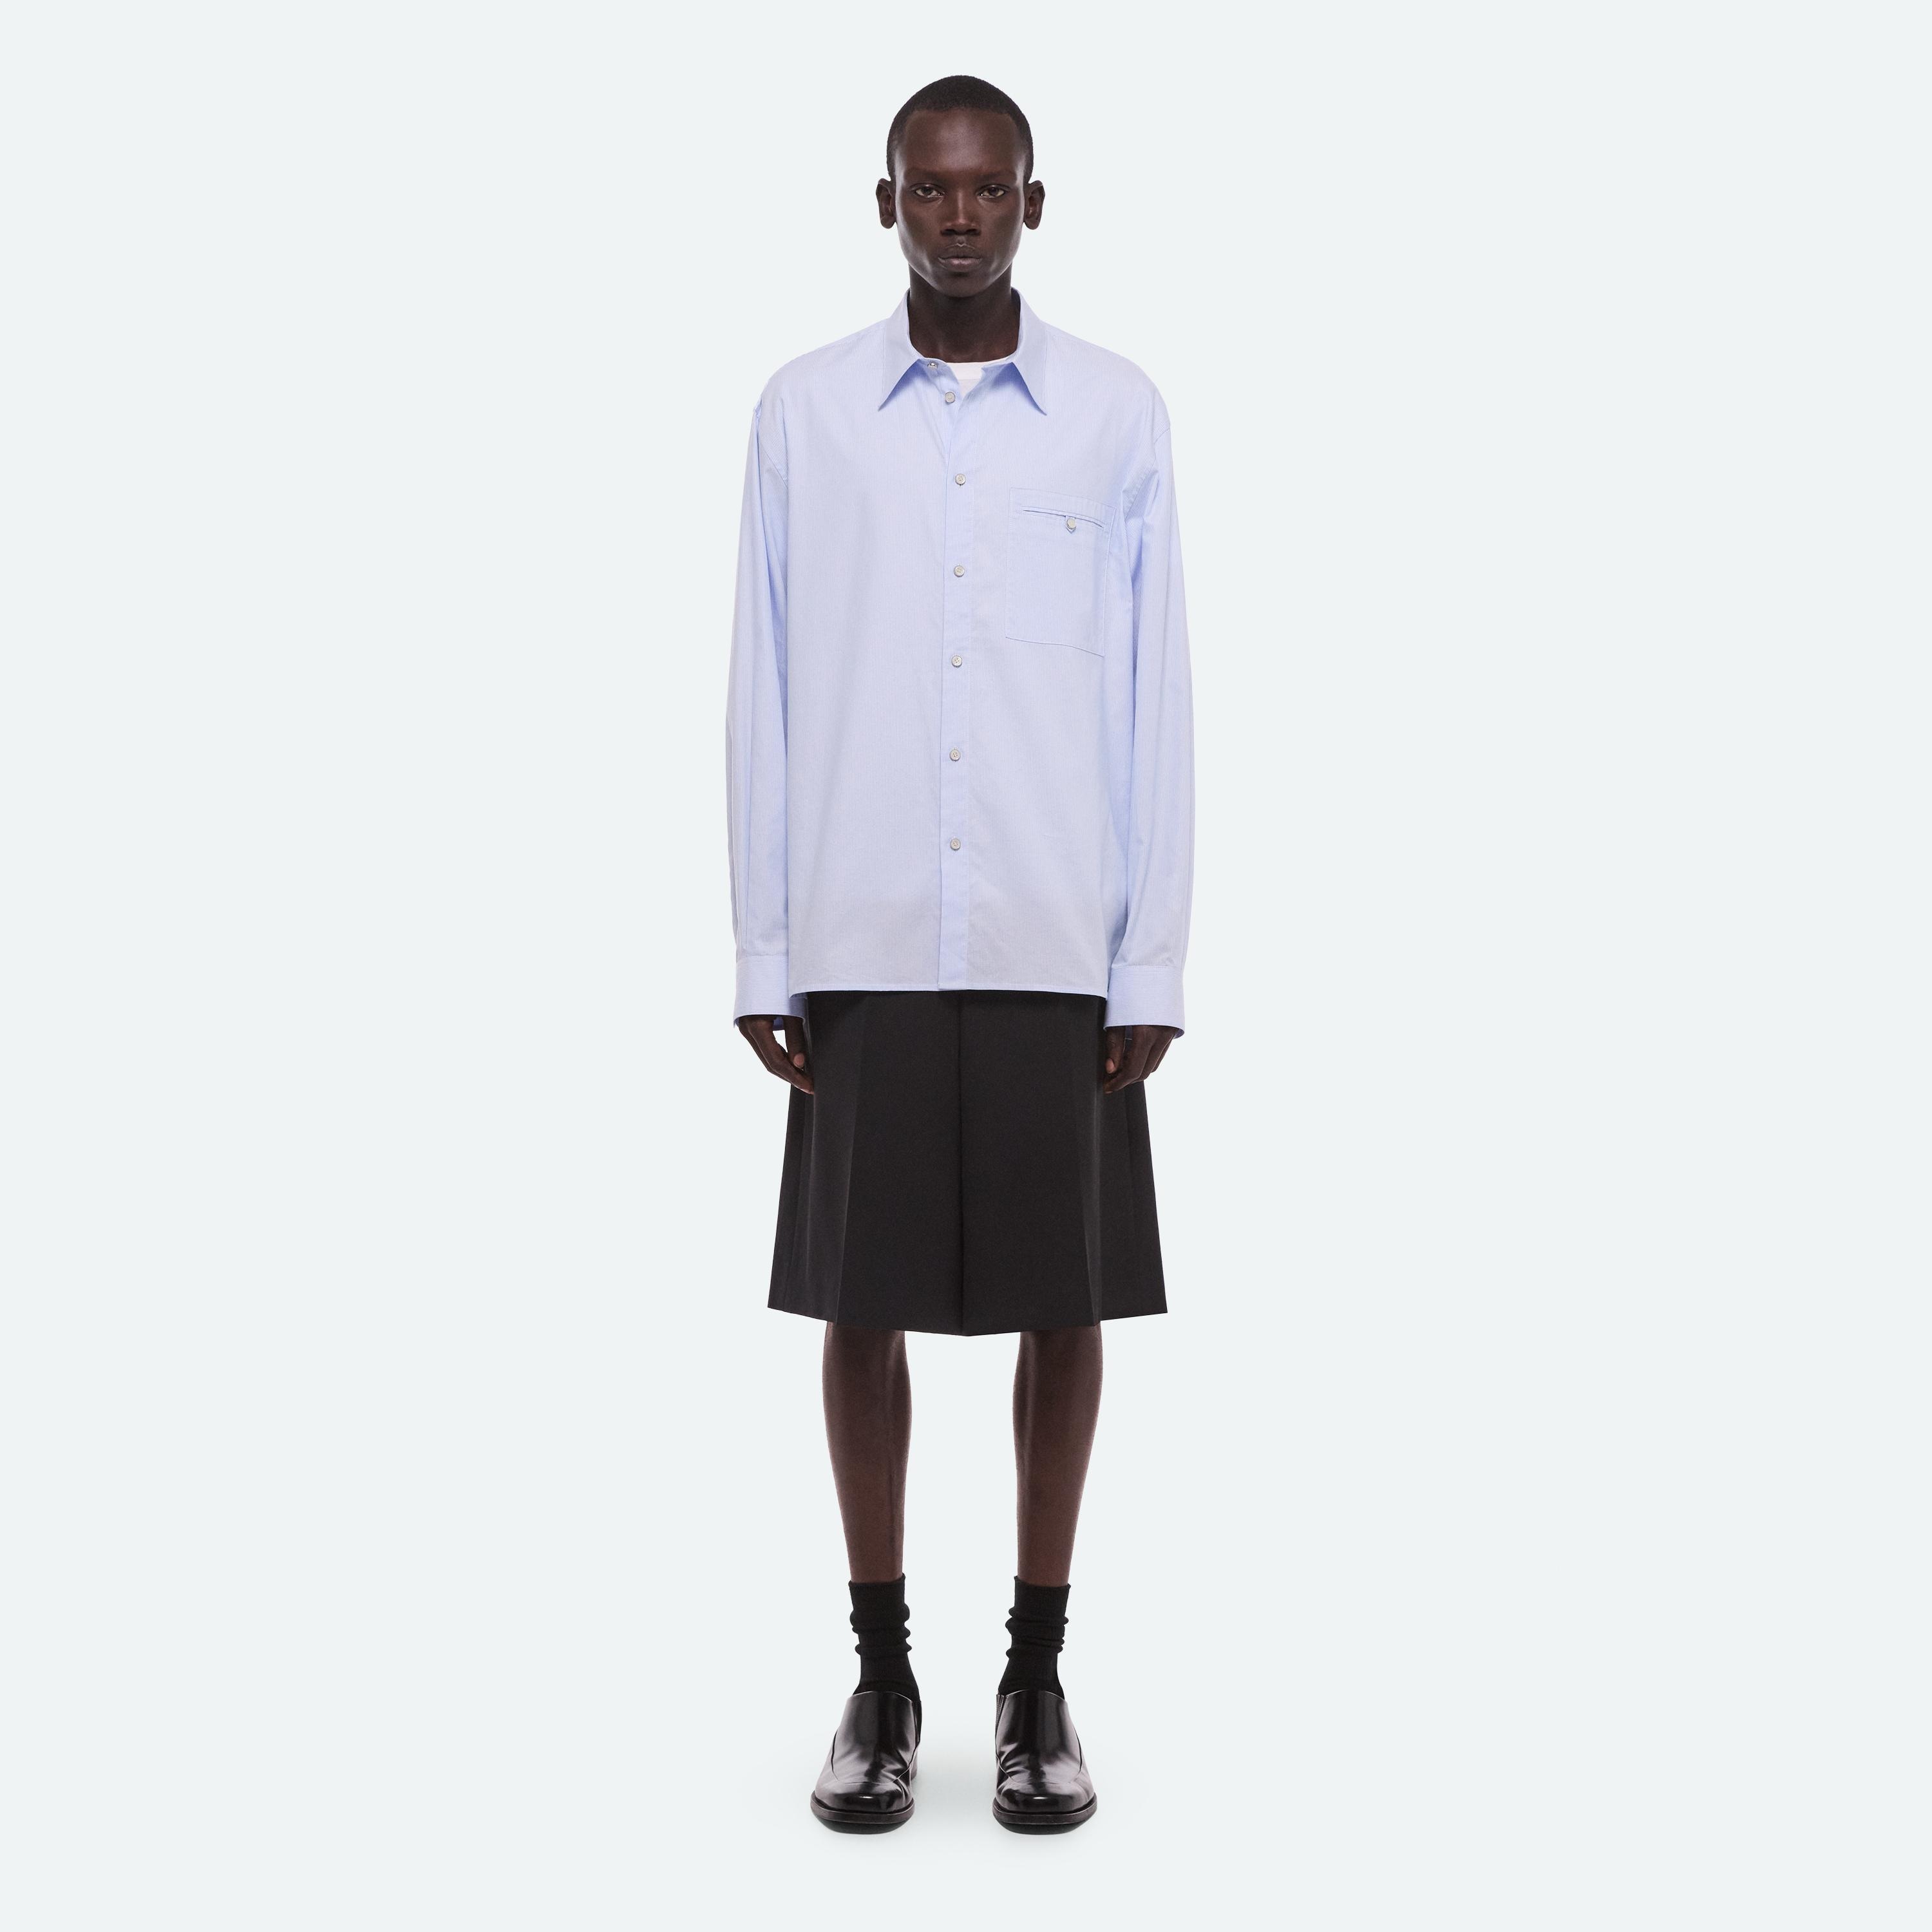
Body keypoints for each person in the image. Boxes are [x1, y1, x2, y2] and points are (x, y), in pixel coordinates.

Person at [724, 73, 1195, 1834]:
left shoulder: (1116, 417)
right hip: (861, 928)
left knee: (1067, 1303)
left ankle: (1036, 1674)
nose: (960, 214)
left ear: (1034, 205)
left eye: (988, 187)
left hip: (1055, 928)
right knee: (859, 1301)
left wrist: (1151, 957)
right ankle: (882, 1673)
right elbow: (764, 675)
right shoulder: (804, 416)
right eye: (931, 188)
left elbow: (1156, 687)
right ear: (887, 205)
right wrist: (765, 943)